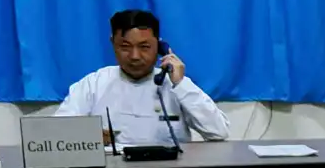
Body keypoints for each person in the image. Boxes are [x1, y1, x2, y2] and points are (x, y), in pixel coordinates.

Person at [56, 9, 229, 146]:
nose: (135, 56)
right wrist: (90, 137)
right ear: (112, 43)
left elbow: (218, 132)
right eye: (125, 47)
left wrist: (181, 84)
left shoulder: (176, 85)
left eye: (144, 47)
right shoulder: (94, 84)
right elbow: (56, 133)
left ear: (159, 46)